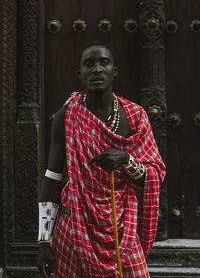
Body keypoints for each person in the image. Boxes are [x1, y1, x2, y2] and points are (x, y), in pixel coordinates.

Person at [37, 42, 166, 278]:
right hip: (74, 226)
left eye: (103, 63)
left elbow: (154, 174)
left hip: (121, 228)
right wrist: (44, 241)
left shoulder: (135, 116)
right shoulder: (67, 116)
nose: (97, 69)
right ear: (80, 74)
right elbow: (52, 178)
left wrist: (127, 160)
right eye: (89, 64)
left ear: (114, 71)